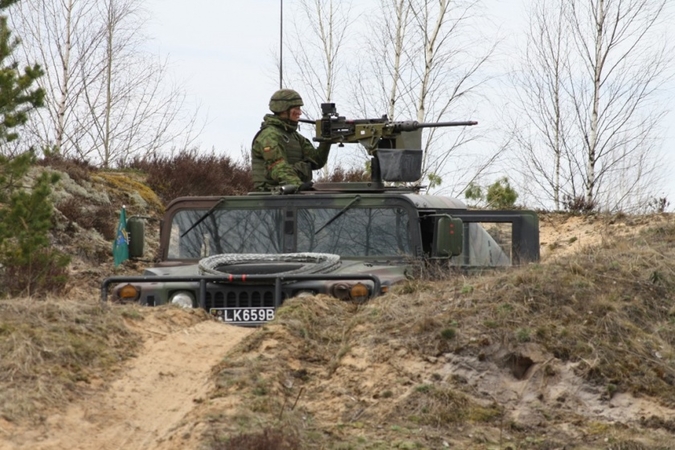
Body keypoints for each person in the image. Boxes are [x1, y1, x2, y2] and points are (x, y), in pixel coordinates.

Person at [251, 89, 332, 192]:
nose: (300, 113)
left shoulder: (294, 136)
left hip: (290, 193)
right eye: (296, 109)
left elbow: (316, 161)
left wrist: (326, 140)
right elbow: (278, 166)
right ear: (284, 110)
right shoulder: (269, 136)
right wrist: (298, 185)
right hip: (270, 197)